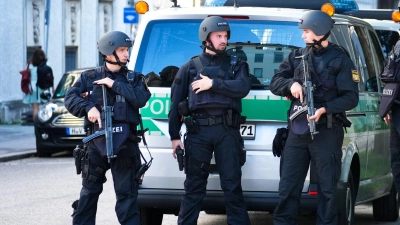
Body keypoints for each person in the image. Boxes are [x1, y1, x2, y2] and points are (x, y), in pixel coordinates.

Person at [270, 10, 359, 224]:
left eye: (306, 31)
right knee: (287, 189)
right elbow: (275, 81)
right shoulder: (297, 56)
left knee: (328, 191)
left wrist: (325, 109)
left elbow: (351, 98)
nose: (303, 35)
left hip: (327, 131)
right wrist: (290, 84)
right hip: (298, 131)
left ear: (319, 31)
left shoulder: (341, 60)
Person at [168, 16, 252, 225]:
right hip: (198, 132)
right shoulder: (189, 67)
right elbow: (176, 102)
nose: (223, 40)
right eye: (218, 36)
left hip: (227, 131)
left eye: (225, 36)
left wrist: (213, 84)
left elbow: (243, 88)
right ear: (206, 39)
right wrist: (174, 136)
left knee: (232, 186)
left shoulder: (237, 64)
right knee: (194, 187)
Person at [65, 31, 151, 224]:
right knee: (88, 195)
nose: (126, 54)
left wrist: (114, 84)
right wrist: (88, 107)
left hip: (125, 145)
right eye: (121, 50)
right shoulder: (88, 77)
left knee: (127, 198)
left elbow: (141, 98)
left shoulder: (133, 78)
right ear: (108, 52)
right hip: (96, 143)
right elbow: (70, 98)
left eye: (126, 50)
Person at [383, 38, 400, 199]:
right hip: (396, 109)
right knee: (397, 164)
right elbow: (391, 76)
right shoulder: (398, 45)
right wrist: (388, 104)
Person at [22, 48, 54, 121]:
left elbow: (27, 77)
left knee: (35, 108)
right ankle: (44, 124)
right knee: (46, 107)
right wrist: (53, 88)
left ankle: (36, 126)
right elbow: (51, 77)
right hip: (44, 87)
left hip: (34, 88)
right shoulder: (47, 65)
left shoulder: (30, 65)